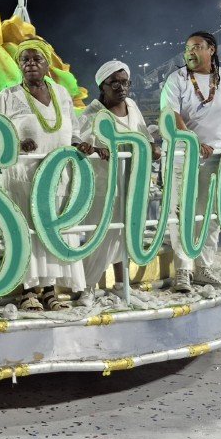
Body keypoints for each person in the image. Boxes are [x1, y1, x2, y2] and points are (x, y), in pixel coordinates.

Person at [0, 38, 87, 310]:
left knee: (52, 231)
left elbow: (74, 130)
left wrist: (80, 144)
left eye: (37, 59)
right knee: (28, 231)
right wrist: (16, 144)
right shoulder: (8, 96)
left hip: (57, 176)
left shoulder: (61, 93)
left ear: (47, 65)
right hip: (23, 178)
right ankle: (27, 291)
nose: (31, 64)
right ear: (18, 65)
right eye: (25, 59)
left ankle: (48, 290)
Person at [160, 32, 221, 292]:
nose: (190, 52)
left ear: (212, 50)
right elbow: (170, 114)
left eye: (197, 46)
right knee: (180, 212)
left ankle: (203, 267)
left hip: (217, 157)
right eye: (187, 47)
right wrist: (194, 141)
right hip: (181, 156)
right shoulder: (176, 79)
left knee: (211, 212)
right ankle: (183, 270)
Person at [73, 60, 155, 291]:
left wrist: (153, 147)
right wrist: (92, 149)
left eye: (125, 82)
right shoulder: (92, 113)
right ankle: (89, 287)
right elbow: (77, 142)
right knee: (99, 235)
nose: (122, 88)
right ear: (103, 86)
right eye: (115, 83)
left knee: (124, 234)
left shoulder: (132, 106)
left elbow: (144, 135)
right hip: (103, 187)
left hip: (130, 183)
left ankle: (121, 285)